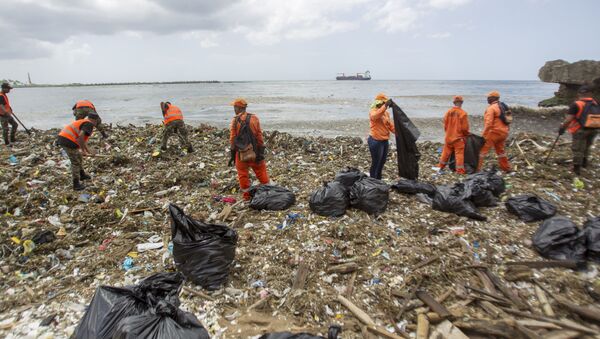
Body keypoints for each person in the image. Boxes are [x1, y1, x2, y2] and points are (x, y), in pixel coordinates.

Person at [229, 98, 269, 200]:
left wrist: (232, 154)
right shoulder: (254, 118)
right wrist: (260, 149)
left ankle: (246, 197)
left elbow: (233, 139)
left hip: (241, 153)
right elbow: (259, 135)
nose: (234, 109)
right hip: (255, 151)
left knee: (243, 175)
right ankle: (269, 192)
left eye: (235, 107)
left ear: (238, 107)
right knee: (261, 173)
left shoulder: (235, 120)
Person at [558, 86, 599, 175]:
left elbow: (568, 120)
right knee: (587, 147)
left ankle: (576, 168)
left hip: (580, 130)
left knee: (577, 149)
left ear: (579, 94)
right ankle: (584, 163)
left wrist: (562, 128)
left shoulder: (576, 104)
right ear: (590, 93)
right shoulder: (595, 103)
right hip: (594, 129)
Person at [56, 113, 100, 190]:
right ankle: (76, 184)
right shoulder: (89, 124)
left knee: (79, 157)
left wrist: (88, 151)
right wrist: (83, 150)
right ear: (94, 120)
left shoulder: (84, 122)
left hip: (65, 139)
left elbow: (83, 140)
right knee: (75, 162)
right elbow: (80, 137)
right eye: (97, 121)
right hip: (68, 141)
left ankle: (82, 175)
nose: (96, 123)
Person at [478, 90, 511, 172]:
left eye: (488, 98)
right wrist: (506, 130)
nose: (487, 99)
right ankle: (506, 168)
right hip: (503, 133)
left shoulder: (491, 108)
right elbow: (509, 120)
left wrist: (483, 135)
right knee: (501, 151)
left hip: (494, 133)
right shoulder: (504, 106)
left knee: (482, 151)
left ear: (493, 98)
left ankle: (476, 169)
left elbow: (489, 124)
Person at [437, 96, 470, 174]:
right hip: (458, 138)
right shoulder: (463, 113)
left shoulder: (448, 112)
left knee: (445, 154)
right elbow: (465, 128)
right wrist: (466, 135)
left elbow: (445, 125)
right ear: (461, 103)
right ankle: (460, 170)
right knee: (459, 154)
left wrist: (448, 133)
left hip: (448, 137)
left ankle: (439, 168)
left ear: (454, 103)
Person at [368, 93, 395, 179]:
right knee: (376, 162)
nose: (384, 105)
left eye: (385, 103)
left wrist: (401, 134)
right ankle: (372, 181)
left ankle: (378, 179)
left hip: (384, 141)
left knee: (382, 162)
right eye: (383, 103)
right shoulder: (373, 111)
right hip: (375, 141)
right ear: (378, 102)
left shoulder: (386, 113)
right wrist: (385, 106)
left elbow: (390, 126)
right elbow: (375, 117)